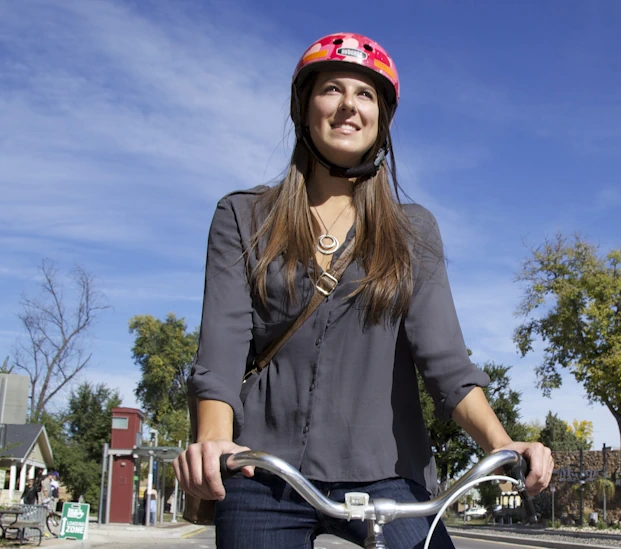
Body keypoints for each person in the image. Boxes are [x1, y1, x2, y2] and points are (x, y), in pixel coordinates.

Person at [173, 32, 554, 549]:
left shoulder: (413, 231)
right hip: (263, 471)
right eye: (332, 89)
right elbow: (219, 351)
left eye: (366, 94)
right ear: (304, 108)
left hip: (389, 474)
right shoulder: (243, 218)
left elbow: (447, 365)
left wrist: (504, 446)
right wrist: (214, 441)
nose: (348, 105)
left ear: (382, 120)